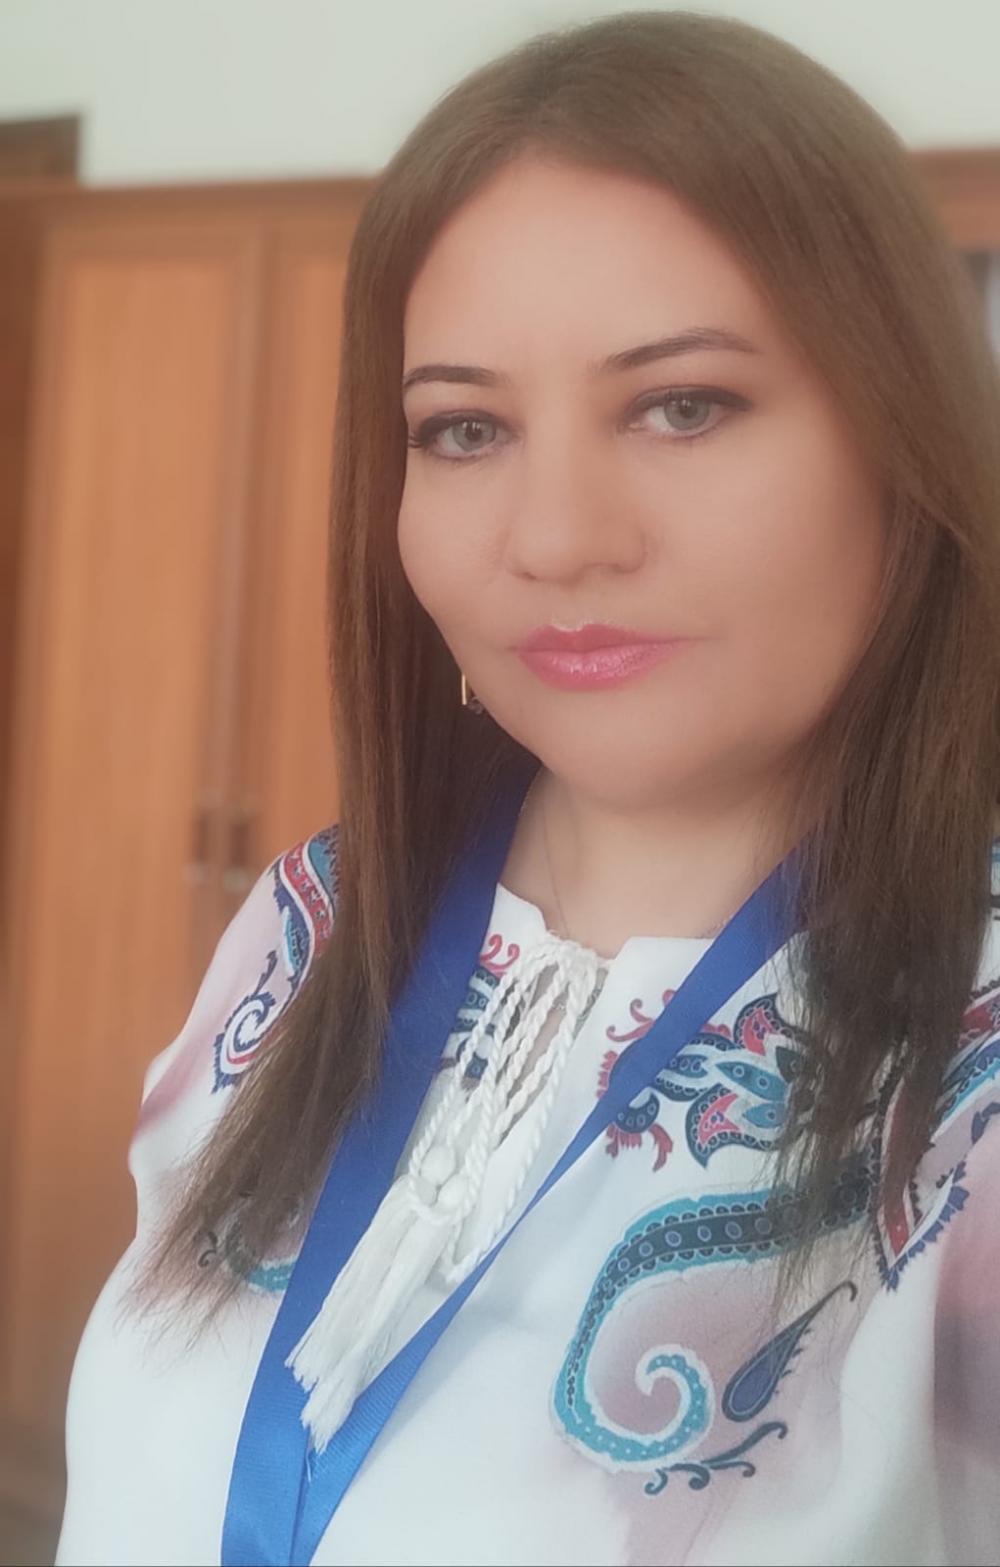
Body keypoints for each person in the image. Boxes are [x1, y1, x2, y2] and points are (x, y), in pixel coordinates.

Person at [55, 10, 1000, 1566]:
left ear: (905, 444)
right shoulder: (312, 924)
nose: (555, 537)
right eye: (466, 428)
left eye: (683, 405)